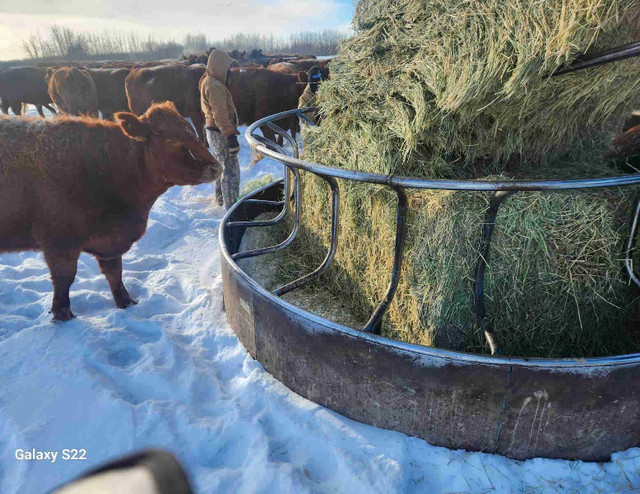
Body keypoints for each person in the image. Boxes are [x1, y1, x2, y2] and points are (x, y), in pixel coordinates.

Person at [200, 49, 241, 210]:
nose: (228, 71)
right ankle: (232, 208)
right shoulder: (215, 86)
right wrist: (230, 136)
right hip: (220, 132)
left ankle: (221, 199)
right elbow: (220, 114)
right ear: (218, 66)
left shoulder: (208, 80)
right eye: (226, 67)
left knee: (220, 165)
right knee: (230, 170)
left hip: (214, 130)